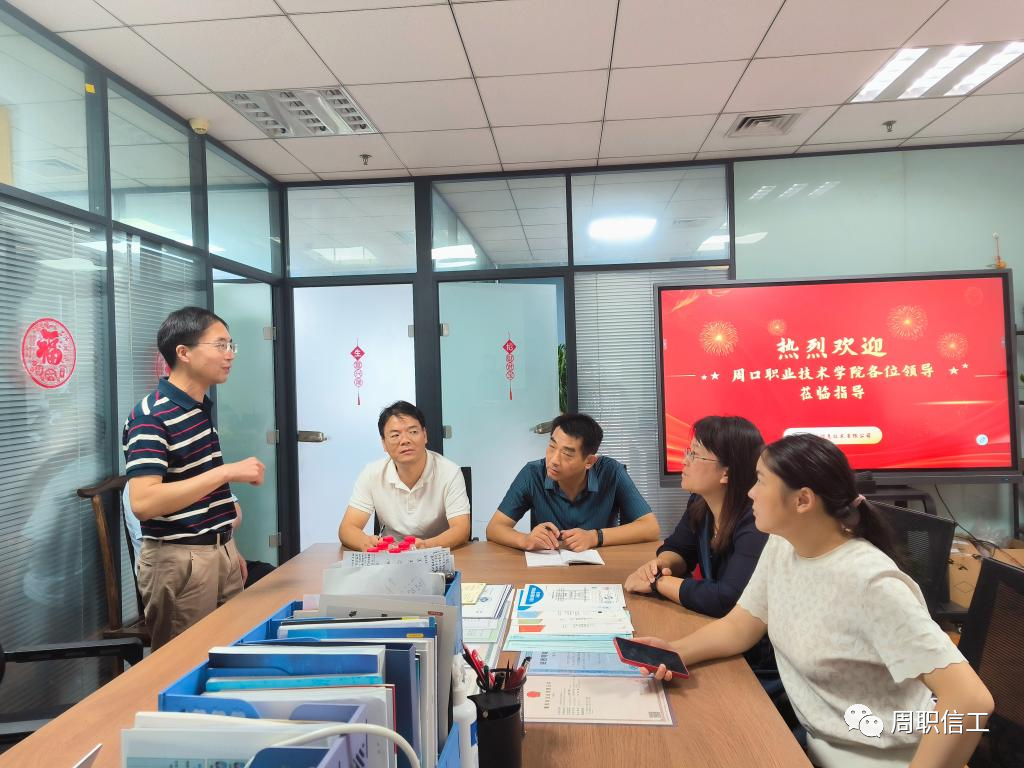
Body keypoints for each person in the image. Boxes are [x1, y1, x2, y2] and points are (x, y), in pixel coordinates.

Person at [636, 433, 993, 768]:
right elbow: (741, 626)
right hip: (816, 742)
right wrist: (674, 652)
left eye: (760, 481)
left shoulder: (871, 584)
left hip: (881, 756)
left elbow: (970, 700)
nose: (750, 493)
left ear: (803, 500)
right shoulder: (783, 543)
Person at [123, 307, 264, 650]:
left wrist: (226, 545)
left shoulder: (198, 407)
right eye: (220, 345)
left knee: (231, 655)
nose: (230, 354)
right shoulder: (151, 416)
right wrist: (226, 472)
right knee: (184, 662)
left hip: (218, 550)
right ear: (183, 353)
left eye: (231, 345)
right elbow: (143, 502)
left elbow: (202, 490)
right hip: (179, 560)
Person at [624, 415, 775, 678]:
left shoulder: (756, 521)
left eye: (694, 455)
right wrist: (661, 565)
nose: (684, 461)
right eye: (687, 451)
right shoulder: (700, 502)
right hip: (715, 633)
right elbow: (679, 547)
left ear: (726, 472)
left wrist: (659, 582)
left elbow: (727, 598)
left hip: (755, 660)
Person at [485, 413, 659, 551]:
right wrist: (525, 540)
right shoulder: (532, 474)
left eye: (567, 454)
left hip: (602, 569)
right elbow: (494, 528)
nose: (554, 460)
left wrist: (595, 537)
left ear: (589, 461)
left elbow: (651, 528)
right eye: (552, 447)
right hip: (548, 569)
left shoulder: (611, 472)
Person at [338, 400, 471, 551]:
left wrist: (426, 546)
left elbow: (461, 529)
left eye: (413, 432)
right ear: (384, 443)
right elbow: (347, 528)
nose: (405, 440)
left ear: (425, 435)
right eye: (395, 435)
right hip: (391, 555)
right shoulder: (372, 473)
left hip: (437, 552)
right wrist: (366, 542)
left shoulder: (450, 472)